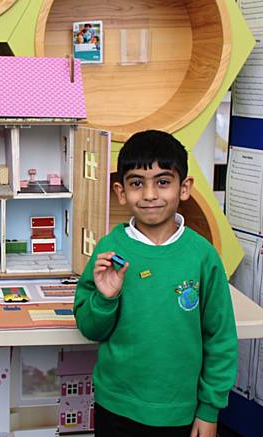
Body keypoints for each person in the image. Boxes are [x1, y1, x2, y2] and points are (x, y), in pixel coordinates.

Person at [73, 130, 237, 437]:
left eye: (162, 181)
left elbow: (220, 338)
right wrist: (106, 298)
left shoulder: (203, 256)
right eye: (137, 183)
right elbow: (89, 327)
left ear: (184, 188)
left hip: (182, 412)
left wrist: (209, 409)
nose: (149, 194)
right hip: (116, 405)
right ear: (121, 192)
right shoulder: (110, 248)